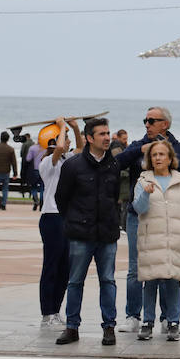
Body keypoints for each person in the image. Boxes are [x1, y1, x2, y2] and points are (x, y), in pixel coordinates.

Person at [115, 106, 180, 332]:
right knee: (135, 268)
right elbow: (116, 164)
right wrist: (141, 149)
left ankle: (166, 317)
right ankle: (133, 315)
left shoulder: (179, 149)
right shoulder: (137, 146)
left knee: (165, 268)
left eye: (152, 120)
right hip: (138, 217)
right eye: (145, 120)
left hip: (168, 217)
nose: (147, 124)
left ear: (165, 124)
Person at [54, 117, 121, 346]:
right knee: (75, 282)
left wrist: (112, 220)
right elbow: (61, 199)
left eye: (108, 133)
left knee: (108, 280)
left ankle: (109, 327)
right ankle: (72, 327)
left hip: (107, 234)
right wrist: (74, 221)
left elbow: (114, 197)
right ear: (89, 138)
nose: (107, 138)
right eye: (102, 134)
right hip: (80, 235)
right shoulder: (73, 165)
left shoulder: (113, 164)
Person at [132, 138, 180, 341]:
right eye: (154, 155)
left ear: (169, 158)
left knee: (173, 281)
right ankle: (147, 322)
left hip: (175, 238)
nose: (158, 158)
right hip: (152, 239)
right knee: (150, 281)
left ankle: (173, 321)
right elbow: (138, 209)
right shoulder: (143, 181)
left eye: (161, 154)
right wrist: (146, 195)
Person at [36, 120, 81, 328]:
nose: (68, 141)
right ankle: (48, 312)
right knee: (51, 266)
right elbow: (61, 147)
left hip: (66, 216)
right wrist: (62, 126)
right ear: (53, 141)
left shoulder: (67, 159)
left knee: (65, 267)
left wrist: (75, 128)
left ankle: (56, 310)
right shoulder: (47, 163)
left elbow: (81, 149)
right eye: (64, 137)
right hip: (51, 217)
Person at [110, 129, 130, 229]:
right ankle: (121, 225)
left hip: (123, 181)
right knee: (122, 204)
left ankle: (121, 224)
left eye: (126, 139)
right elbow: (118, 164)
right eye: (124, 139)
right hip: (121, 181)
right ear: (118, 138)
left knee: (123, 205)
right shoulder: (116, 147)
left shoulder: (123, 146)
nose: (125, 140)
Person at [24, 134, 45, 212]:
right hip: (43, 170)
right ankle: (42, 202)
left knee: (33, 187)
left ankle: (36, 200)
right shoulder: (46, 148)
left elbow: (28, 159)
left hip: (35, 170)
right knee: (43, 187)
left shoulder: (32, 148)